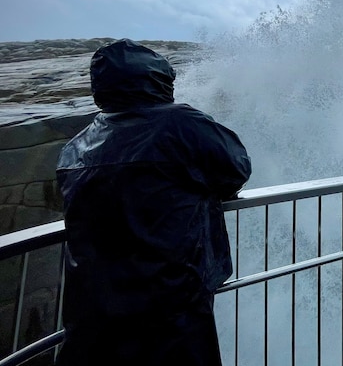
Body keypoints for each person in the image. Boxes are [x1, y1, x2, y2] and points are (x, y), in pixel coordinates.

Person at [55, 39, 252, 366]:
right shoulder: (181, 124)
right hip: (170, 303)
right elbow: (236, 168)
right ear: (157, 81)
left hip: (92, 308)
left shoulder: (75, 147)